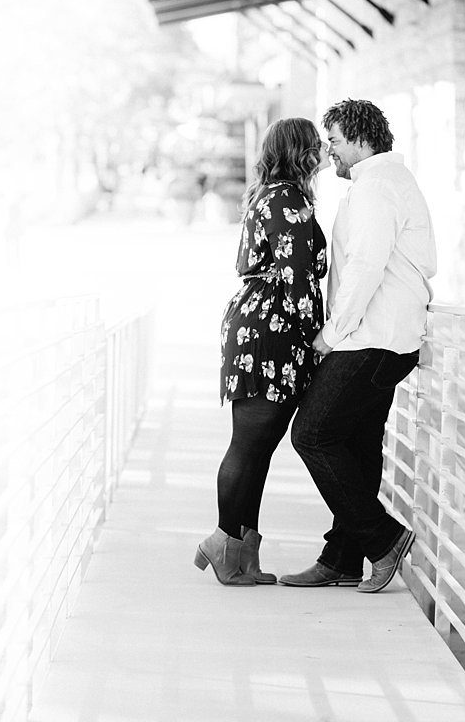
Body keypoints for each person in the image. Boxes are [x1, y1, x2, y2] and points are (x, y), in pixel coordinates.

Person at [278, 99, 437, 592]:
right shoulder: (385, 182)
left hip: (371, 339)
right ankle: (342, 558)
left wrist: (330, 335)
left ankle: (383, 539)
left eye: (336, 143)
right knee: (358, 445)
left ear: (360, 139)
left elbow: (366, 267)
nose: (331, 155)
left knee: (312, 434)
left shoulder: (375, 187)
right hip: (386, 337)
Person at [194, 118, 329, 586]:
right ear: (300, 151)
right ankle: (223, 541)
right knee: (249, 443)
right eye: (317, 145)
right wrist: (320, 337)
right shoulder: (286, 198)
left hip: (268, 327)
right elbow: (295, 278)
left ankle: (243, 553)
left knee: (260, 448)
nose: (325, 152)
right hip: (272, 330)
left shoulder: (277, 194)